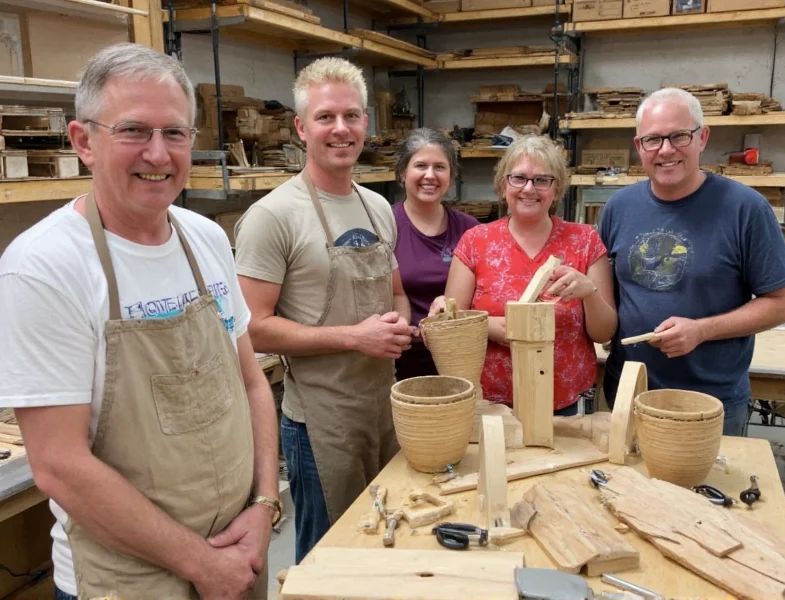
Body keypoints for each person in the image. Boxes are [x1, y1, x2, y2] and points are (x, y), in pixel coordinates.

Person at [0, 43, 279, 600]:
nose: (158, 154)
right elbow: (60, 464)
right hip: (128, 583)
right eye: (134, 131)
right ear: (84, 142)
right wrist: (203, 564)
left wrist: (264, 506)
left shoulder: (205, 239)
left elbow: (250, 383)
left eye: (174, 133)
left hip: (239, 556)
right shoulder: (44, 268)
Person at [234, 57, 414, 563]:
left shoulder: (377, 207)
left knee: (380, 543)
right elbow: (252, 329)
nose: (341, 129)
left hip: (381, 409)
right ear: (300, 127)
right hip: (319, 422)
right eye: (326, 117)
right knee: (327, 560)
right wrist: (355, 338)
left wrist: (396, 322)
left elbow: (395, 291)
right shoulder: (272, 216)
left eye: (352, 116)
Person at [598, 87, 785, 436]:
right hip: (629, 391)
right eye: (653, 140)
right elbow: (609, 295)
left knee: (703, 490)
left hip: (710, 401)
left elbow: (783, 304)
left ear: (702, 138)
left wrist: (701, 330)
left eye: (679, 136)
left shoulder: (745, 209)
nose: (666, 150)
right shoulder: (618, 207)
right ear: (639, 147)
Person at [430, 134, 618, 414]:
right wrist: (499, 327)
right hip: (493, 404)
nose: (529, 189)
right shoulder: (475, 242)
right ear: (503, 185)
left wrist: (589, 292)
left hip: (567, 403)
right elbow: (453, 327)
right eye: (519, 178)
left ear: (557, 189)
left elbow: (604, 333)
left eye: (542, 180)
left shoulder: (585, 241)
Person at [392, 128, 479, 380]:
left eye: (439, 167)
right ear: (402, 173)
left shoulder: (470, 230)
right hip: (399, 363)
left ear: (451, 176)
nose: (430, 175)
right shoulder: (384, 226)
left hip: (460, 361)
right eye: (420, 165)